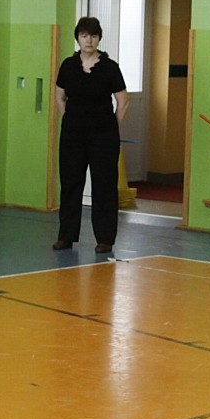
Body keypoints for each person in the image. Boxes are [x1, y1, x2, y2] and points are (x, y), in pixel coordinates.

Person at [52, 17, 129, 254]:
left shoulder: (110, 67)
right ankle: (66, 236)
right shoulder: (68, 66)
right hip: (73, 135)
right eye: (84, 35)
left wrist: (110, 126)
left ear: (99, 38)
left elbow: (123, 102)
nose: (89, 40)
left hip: (103, 136)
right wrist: (70, 119)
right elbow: (59, 97)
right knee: (70, 183)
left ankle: (105, 238)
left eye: (93, 36)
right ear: (78, 38)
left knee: (104, 185)